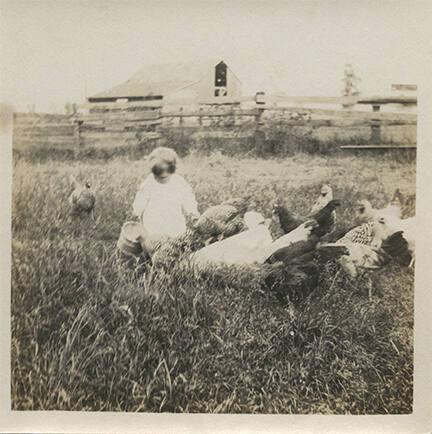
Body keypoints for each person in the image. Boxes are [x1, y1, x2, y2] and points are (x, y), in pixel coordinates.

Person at [132, 147, 200, 251]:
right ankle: (152, 259)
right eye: (157, 176)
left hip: (174, 221)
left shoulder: (179, 182)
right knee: (154, 245)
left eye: (164, 177)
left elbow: (188, 198)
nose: (160, 179)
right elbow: (141, 198)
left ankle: (174, 258)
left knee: (176, 243)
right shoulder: (149, 183)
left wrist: (193, 212)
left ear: (172, 170)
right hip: (153, 222)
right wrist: (137, 211)